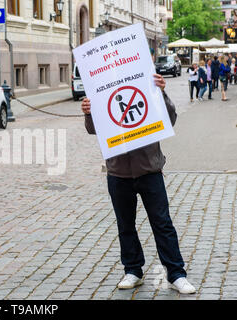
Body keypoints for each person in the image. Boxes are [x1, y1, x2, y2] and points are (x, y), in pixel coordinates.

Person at [80, 74, 196, 295]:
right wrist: (88, 112)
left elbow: (169, 119)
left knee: (162, 223)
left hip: (149, 169)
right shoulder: (103, 88)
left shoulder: (145, 83)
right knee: (125, 224)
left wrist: (161, 92)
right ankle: (133, 270)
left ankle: (176, 273)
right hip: (118, 171)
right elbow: (95, 128)